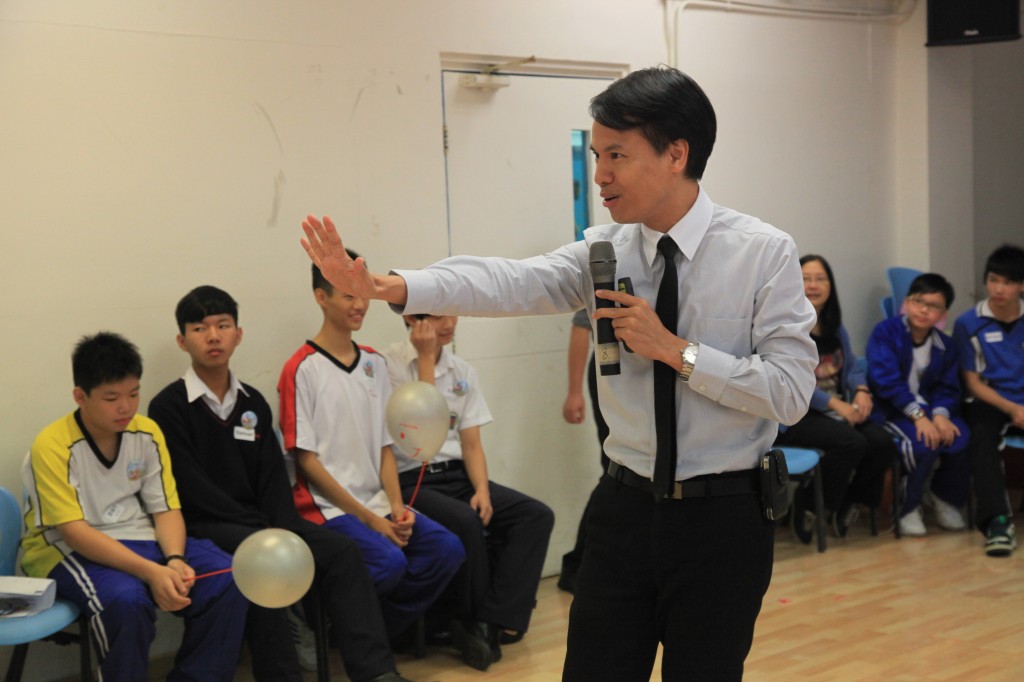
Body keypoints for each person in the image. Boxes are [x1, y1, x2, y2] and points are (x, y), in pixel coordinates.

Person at [299, 65, 817, 681]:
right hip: (623, 509)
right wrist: (389, 285)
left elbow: (790, 392)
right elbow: (509, 280)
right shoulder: (605, 251)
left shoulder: (763, 253)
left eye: (617, 155)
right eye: (597, 155)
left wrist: (677, 351)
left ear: (676, 154)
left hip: (723, 519)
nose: (600, 175)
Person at [148, 285, 411, 682]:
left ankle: (376, 671)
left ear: (239, 334)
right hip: (207, 526)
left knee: (342, 551)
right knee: (263, 560)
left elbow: (272, 476)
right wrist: (262, 531)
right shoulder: (168, 406)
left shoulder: (252, 402)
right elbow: (189, 486)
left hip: (264, 522)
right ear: (182, 341)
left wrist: (282, 527)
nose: (214, 336)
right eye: (200, 328)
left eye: (223, 325)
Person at [20, 332, 247, 682]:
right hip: (65, 550)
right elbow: (75, 533)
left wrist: (174, 559)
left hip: (139, 537)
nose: (126, 407)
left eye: (133, 394)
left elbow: (166, 510)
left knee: (225, 577)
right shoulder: (52, 445)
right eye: (111, 398)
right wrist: (152, 572)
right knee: (126, 599)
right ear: (80, 396)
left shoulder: (147, 432)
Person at [278, 259, 465, 645]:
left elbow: (384, 447)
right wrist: (370, 520)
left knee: (446, 550)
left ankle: (358, 634)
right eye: (348, 295)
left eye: (363, 295)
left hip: (377, 501)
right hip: (327, 509)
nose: (360, 304)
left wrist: (395, 507)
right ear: (321, 297)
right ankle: (342, 630)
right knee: (388, 563)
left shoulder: (375, 363)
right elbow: (306, 461)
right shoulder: (301, 368)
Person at [383, 312, 555, 670]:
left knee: (535, 515)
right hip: (412, 478)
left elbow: (472, 444)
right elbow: (423, 433)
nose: (448, 323)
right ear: (413, 317)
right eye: (438, 316)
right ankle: (475, 622)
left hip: (457, 474)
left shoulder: (462, 371)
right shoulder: (388, 365)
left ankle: (490, 620)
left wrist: (482, 489)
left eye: (452, 313)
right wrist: (426, 359)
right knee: (465, 520)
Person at [774, 255, 897, 538]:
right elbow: (792, 380)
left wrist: (862, 391)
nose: (813, 285)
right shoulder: (786, 326)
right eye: (805, 279)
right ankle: (808, 505)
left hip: (835, 411)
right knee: (852, 443)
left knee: (882, 443)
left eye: (821, 279)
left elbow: (851, 366)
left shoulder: (835, 326)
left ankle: (850, 501)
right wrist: (836, 404)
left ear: (830, 285)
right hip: (797, 415)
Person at [867, 273, 970, 537]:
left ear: (943, 313)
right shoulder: (886, 332)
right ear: (906, 302)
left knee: (960, 437)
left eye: (933, 306)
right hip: (892, 410)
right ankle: (907, 506)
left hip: (930, 411)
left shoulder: (945, 345)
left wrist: (941, 415)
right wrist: (918, 416)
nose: (924, 310)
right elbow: (886, 382)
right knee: (923, 443)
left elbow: (948, 387)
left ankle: (943, 497)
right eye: (918, 301)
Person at [953, 243, 1024, 556]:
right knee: (982, 437)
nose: (999, 288)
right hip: (991, 400)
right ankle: (997, 522)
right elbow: (972, 382)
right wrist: (1013, 408)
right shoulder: (968, 323)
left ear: (1021, 286)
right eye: (994, 280)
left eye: (1008, 282)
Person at [558, 308, 608, 593]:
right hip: (610, 371)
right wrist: (574, 392)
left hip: (649, 377)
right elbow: (581, 325)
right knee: (615, 473)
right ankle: (577, 566)